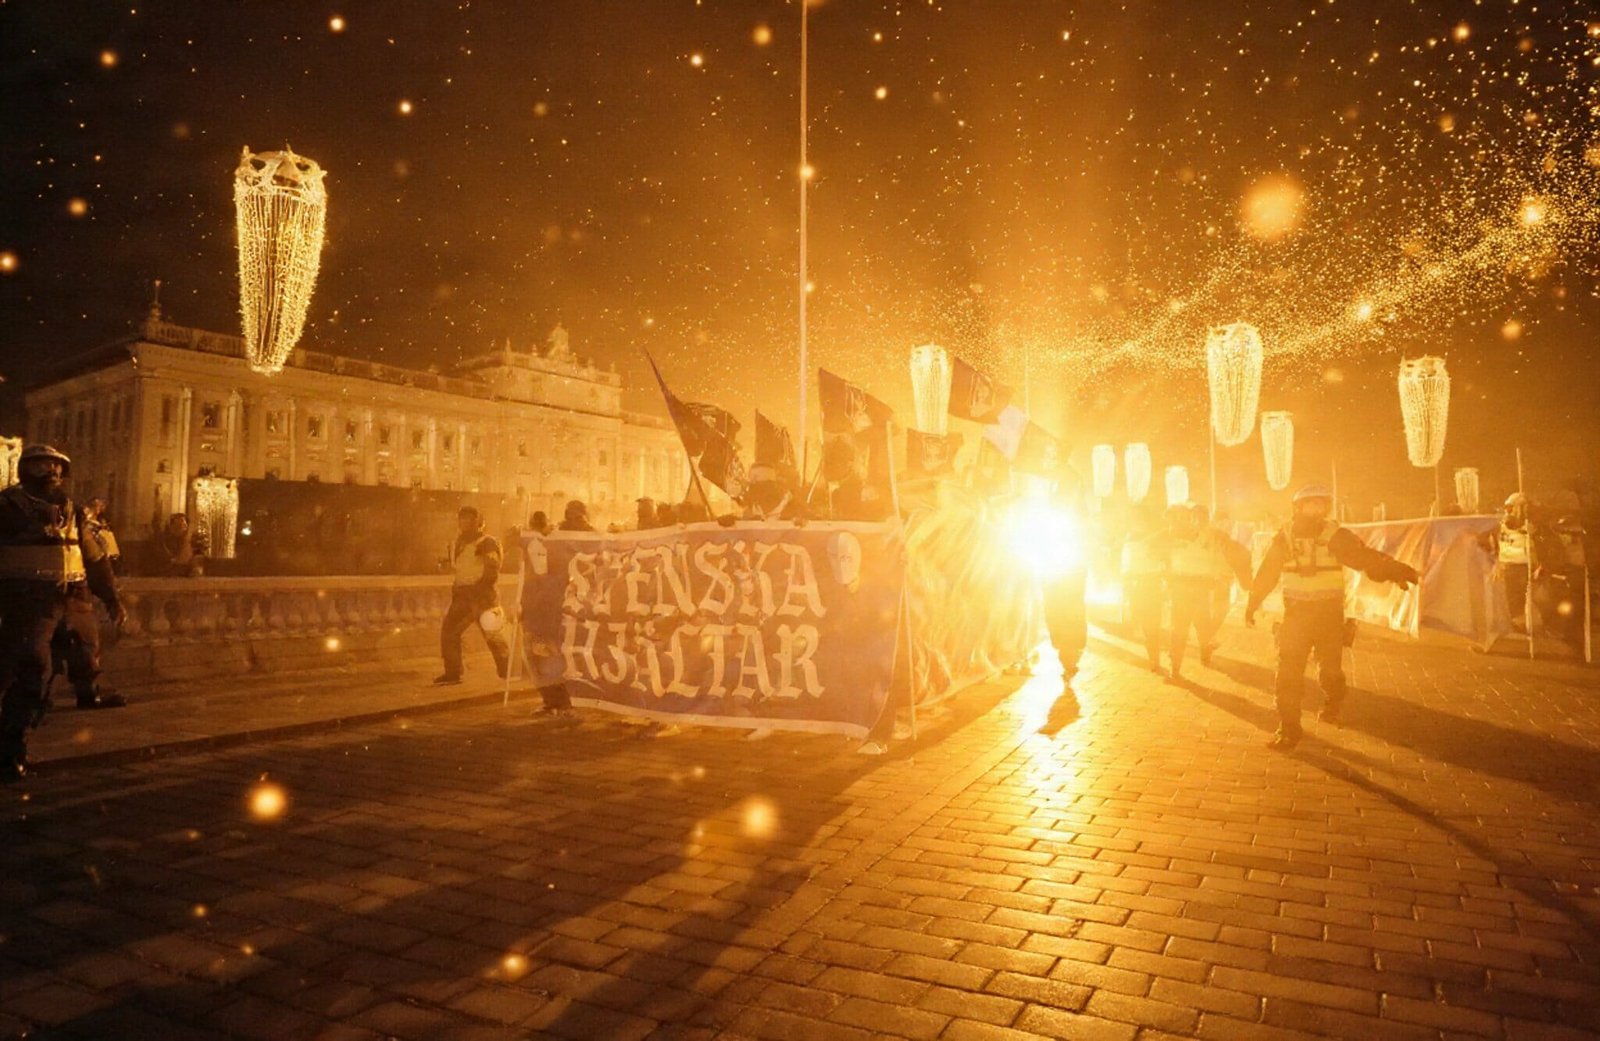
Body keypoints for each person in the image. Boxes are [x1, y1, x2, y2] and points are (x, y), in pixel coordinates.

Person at [1245, 484, 1419, 750]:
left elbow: (1363, 557)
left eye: (1320, 504)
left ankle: (1334, 699)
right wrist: (1253, 603)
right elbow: (1267, 572)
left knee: (1330, 673)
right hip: (1295, 616)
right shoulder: (1284, 538)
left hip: (1328, 616)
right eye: (1310, 504)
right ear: (1298, 508)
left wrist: (1393, 570)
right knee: (1287, 675)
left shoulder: (1336, 536)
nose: (1316, 509)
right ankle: (1288, 730)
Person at [0, 445, 130, 781]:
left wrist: (112, 598)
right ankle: (11, 749)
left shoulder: (72, 510)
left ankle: (88, 693)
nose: (52, 472)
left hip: (75, 594)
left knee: (86, 649)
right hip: (29, 599)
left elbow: (95, 559)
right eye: (43, 466)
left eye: (56, 467)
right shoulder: (7, 506)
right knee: (32, 669)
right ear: (26, 470)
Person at [435, 505, 510, 686]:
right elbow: (458, 569)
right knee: (449, 632)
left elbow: (492, 570)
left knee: (493, 635)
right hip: (462, 596)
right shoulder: (457, 543)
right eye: (462, 519)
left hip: (483, 596)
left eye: (469, 519)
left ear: (479, 522)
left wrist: (480, 589)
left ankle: (509, 671)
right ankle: (452, 673)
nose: (465, 522)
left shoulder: (487, 542)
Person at [1119, 508, 1165, 673]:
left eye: (1139, 519)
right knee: (1145, 626)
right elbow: (1125, 567)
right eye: (1135, 519)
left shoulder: (1155, 540)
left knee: (1152, 626)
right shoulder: (1128, 541)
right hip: (1136, 587)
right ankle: (1153, 657)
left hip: (1151, 586)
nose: (1137, 523)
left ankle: (1154, 658)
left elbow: (1162, 563)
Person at [155, 512, 206, 577]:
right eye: (178, 525)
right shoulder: (163, 542)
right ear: (171, 527)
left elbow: (195, 562)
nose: (182, 527)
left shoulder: (192, 542)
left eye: (184, 525)